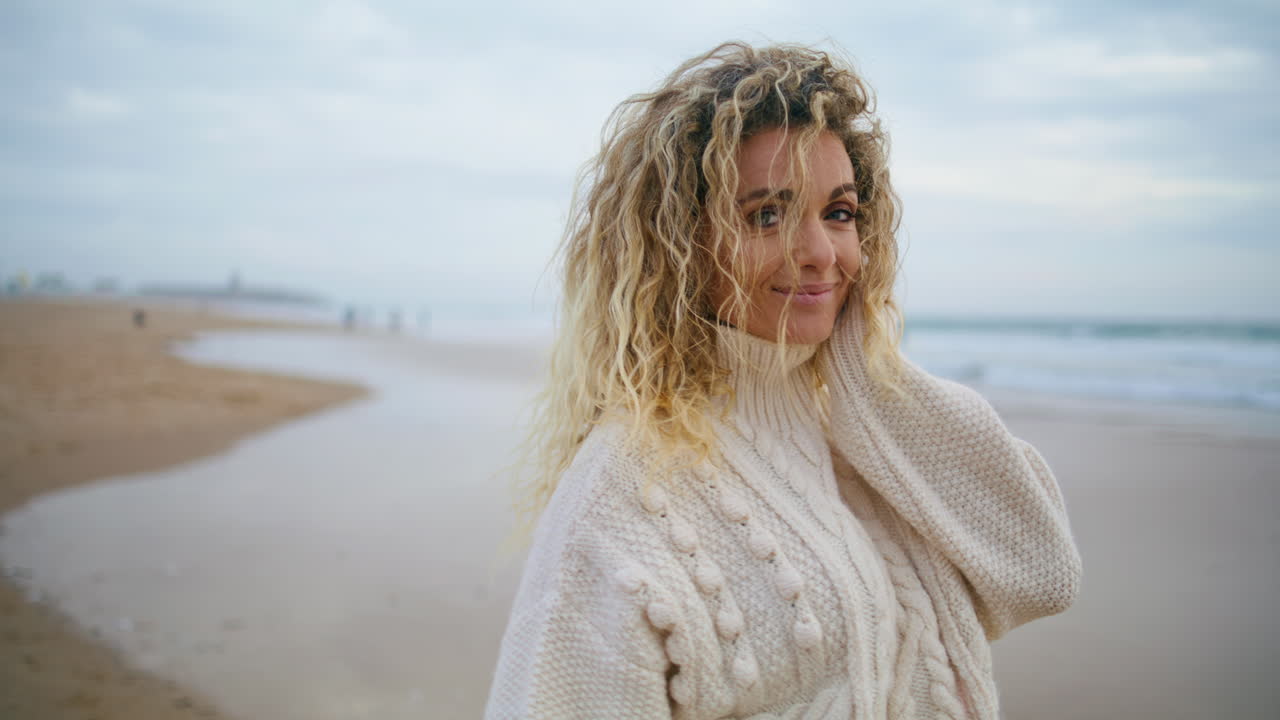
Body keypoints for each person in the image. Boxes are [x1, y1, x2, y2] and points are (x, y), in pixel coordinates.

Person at [485, 41, 1082, 719]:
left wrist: (864, 369)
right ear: (679, 244)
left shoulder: (858, 433)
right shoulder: (618, 505)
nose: (822, 253)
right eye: (766, 215)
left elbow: (1040, 572)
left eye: (840, 213)